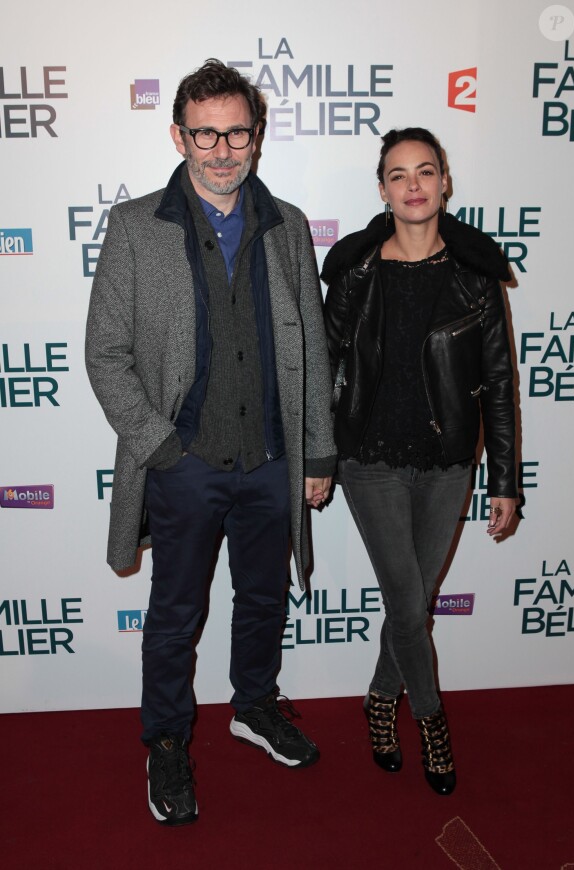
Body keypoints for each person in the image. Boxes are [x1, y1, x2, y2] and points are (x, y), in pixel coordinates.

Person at [86, 59, 335, 826]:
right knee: (174, 614)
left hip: (271, 460)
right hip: (184, 465)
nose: (222, 148)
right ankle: (167, 740)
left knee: (262, 600)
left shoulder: (287, 224)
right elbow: (106, 353)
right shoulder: (135, 227)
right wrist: (161, 447)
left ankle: (253, 705)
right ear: (179, 134)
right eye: (206, 133)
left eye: (236, 132)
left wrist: (316, 453)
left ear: (256, 137)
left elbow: (312, 347)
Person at [322, 127, 517, 795]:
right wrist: (320, 456)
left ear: (444, 183)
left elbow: (497, 380)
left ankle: (381, 697)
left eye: (425, 171)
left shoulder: (475, 275)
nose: (413, 184)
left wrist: (505, 481)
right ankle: (432, 720)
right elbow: (325, 368)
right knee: (407, 598)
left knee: (414, 603)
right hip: (368, 458)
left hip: (449, 463)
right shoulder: (354, 269)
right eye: (398, 174)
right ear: (382, 189)